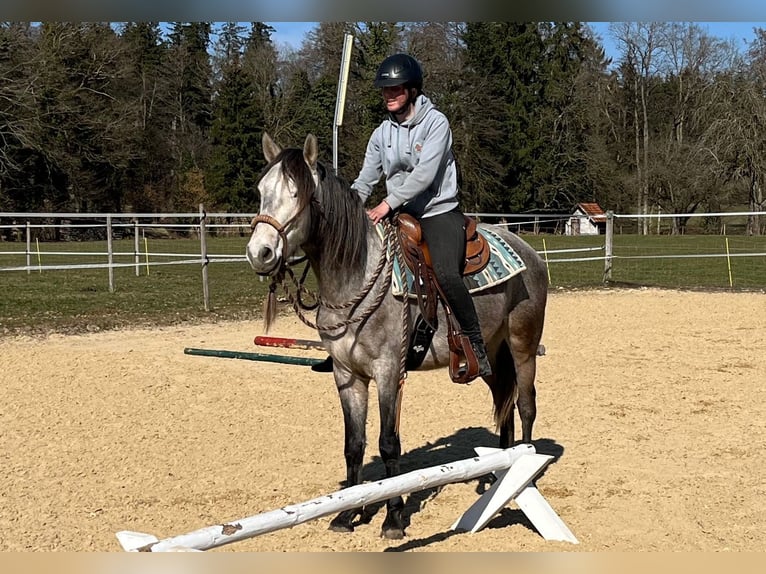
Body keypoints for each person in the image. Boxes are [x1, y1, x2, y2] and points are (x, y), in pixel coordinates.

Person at [312, 53, 491, 382]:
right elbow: (366, 178)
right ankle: (344, 348)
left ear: (411, 89)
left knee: (448, 275)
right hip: (399, 212)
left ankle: (475, 343)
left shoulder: (436, 123)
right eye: (385, 90)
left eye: (396, 89)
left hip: (437, 212)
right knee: (354, 267)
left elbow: (424, 175)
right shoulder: (381, 133)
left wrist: (386, 205)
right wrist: (348, 211)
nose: (389, 95)